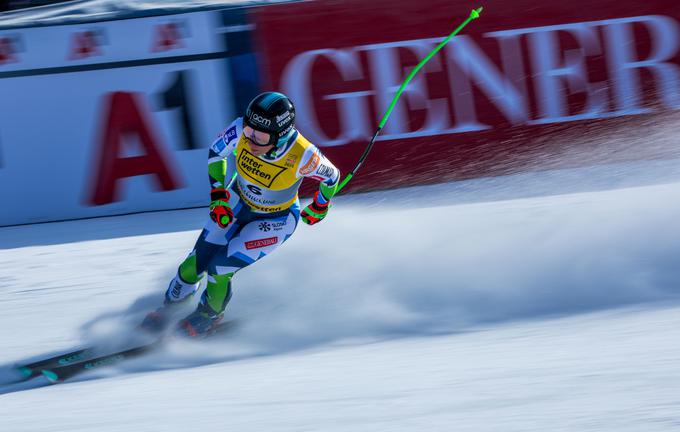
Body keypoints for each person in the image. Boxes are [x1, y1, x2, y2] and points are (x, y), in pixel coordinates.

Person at [142, 91, 340, 337]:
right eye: (249, 131)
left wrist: (321, 205)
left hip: (275, 220)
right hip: (237, 201)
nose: (251, 139)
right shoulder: (240, 129)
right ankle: (170, 310)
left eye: (260, 135)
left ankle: (209, 314)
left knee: (219, 268)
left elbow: (332, 176)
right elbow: (217, 153)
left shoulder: (303, 155)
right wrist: (218, 195)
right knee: (192, 267)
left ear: (281, 135)